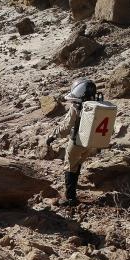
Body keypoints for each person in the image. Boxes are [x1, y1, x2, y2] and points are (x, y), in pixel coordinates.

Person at [47, 78, 98, 206]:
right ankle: (73, 191)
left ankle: (70, 198)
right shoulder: (97, 104)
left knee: (69, 166)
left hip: (77, 141)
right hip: (91, 143)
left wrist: (53, 136)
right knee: (77, 164)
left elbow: (66, 127)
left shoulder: (77, 106)